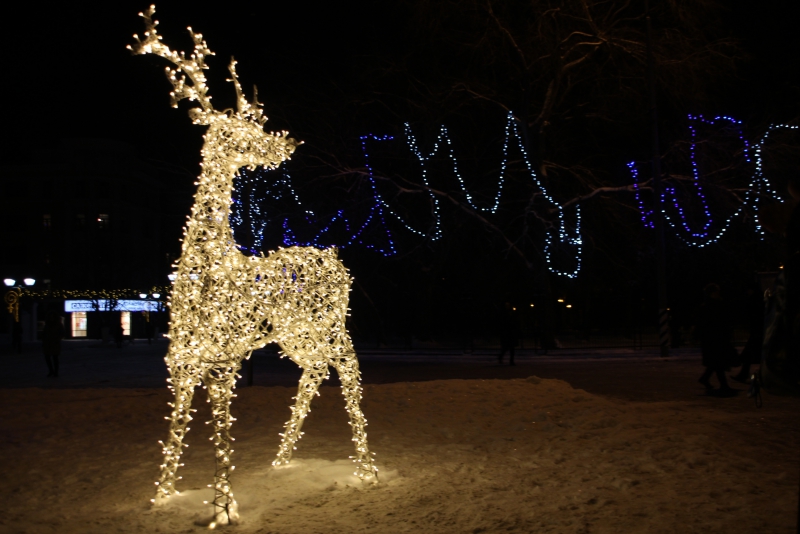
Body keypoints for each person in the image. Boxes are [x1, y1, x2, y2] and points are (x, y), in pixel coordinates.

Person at [696, 283, 736, 396]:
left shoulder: (707, 306)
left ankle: (705, 378)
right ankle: (723, 385)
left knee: (715, 362)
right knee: (718, 362)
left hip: (712, 338)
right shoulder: (714, 306)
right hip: (716, 338)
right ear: (713, 293)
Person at [731, 280, 764, 383]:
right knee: (753, 355)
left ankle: (744, 374)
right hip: (759, 331)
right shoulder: (760, 299)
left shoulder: (755, 300)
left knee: (750, 354)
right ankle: (745, 374)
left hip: (757, 331)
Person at [42, 311, 64, 377]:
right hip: (48, 343)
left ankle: (55, 372)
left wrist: (57, 339)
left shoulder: (58, 324)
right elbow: (44, 333)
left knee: (55, 358)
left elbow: (62, 333)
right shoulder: (47, 325)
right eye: (50, 317)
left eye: (52, 316)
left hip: (55, 343)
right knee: (48, 357)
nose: (51, 318)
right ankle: (51, 371)